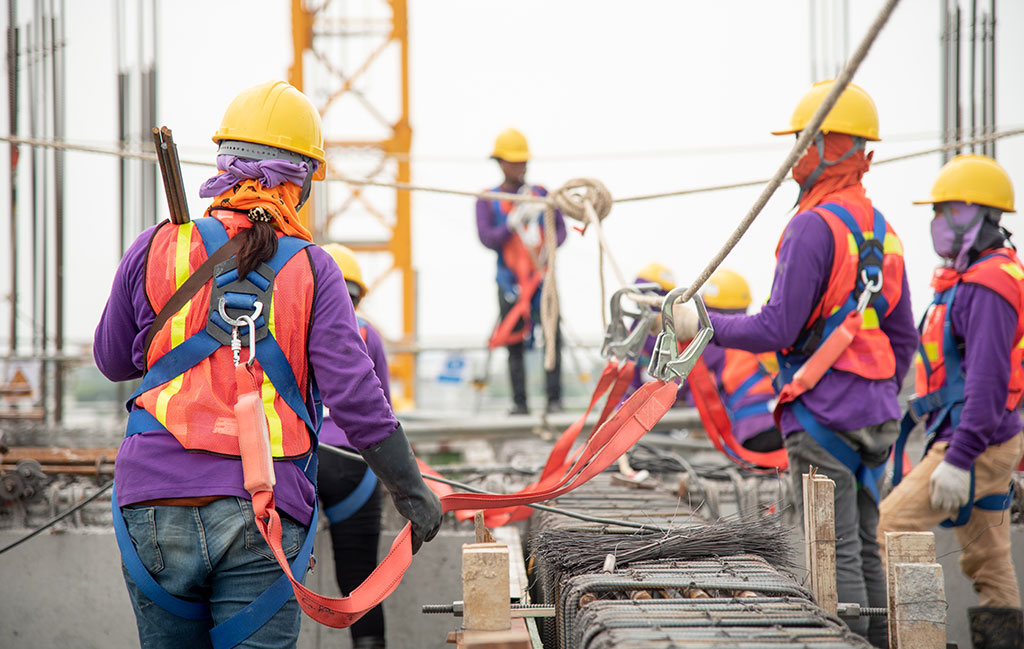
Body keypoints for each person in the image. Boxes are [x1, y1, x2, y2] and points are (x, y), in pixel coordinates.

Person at [94, 80, 442, 649]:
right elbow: (355, 396)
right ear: (300, 183)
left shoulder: (158, 246)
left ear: (225, 165)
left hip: (151, 500)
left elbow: (112, 360)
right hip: (263, 510)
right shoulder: (313, 268)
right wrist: (409, 489)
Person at [673, 80, 917, 647]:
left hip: (822, 415)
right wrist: (876, 392)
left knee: (836, 552)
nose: (793, 160)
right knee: (866, 544)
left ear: (830, 147)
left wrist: (703, 323)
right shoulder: (883, 232)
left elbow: (776, 329)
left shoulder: (811, 226)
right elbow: (902, 336)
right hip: (876, 417)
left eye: (802, 144)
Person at [876, 154, 1024, 648]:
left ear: (986, 218)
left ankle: (915, 639)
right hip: (986, 436)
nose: (940, 224)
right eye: (938, 213)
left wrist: (959, 459)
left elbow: (986, 383)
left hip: (976, 440)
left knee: (895, 524)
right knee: (988, 560)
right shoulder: (979, 279)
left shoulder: (988, 286)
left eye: (952, 212)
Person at [318, 243, 391, 649]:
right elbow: (382, 417)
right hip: (355, 468)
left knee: (274, 574)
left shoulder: (292, 327)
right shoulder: (368, 335)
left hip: (302, 461)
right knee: (360, 579)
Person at [475, 128, 567, 415]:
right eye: (514, 162)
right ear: (500, 163)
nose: (520, 167)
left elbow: (561, 231)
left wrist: (546, 248)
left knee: (552, 337)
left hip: (541, 280)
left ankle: (554, 400)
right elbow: (487, 238)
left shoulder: (541, 195)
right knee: (513, 342)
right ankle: (520, 403)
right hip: (510, 283)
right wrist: (511, 224)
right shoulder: (488, 199)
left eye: (523, 161)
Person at [694, 269, 781, 454]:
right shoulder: (754, 335)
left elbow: (684, 383)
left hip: (752, 432)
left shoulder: (710, 343)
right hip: (784, 424)